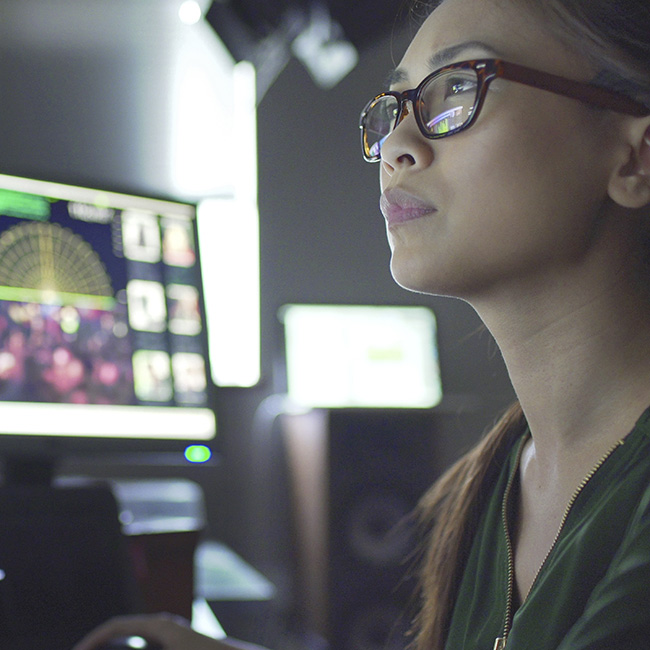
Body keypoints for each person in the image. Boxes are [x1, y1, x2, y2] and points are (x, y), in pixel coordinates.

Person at [74, 0, 650, 648]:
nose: (397, 146)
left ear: (634, 157)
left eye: (457, 87)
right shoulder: (497, 478)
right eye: (393, 108)